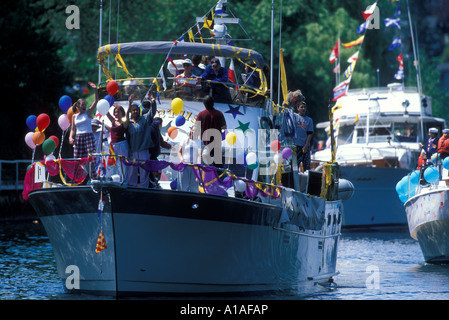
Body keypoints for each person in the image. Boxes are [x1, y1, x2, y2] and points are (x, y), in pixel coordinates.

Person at [126, 94, 157, 187]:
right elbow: (125, 116)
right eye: (133, 110)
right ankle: (131, 189)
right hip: (133, 152)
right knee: (131, 173)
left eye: (136, 109)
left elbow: (153, 112)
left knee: (144, 173)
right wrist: (129, 103)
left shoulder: (144, 119)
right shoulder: (128, 122)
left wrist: (153, 102)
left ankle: (144, 190)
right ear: (131, 112)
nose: (135, 111)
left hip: (144, 151)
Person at [195, 95, 227, 166]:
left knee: (204, 168)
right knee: (218, 168)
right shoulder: (219, 114)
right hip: (216, 145)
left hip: (204, 145)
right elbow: (224, 128)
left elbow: (196, 128)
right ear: (213, 103)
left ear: (204, 104)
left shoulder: (201, 114)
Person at [69, 88, 99, 158]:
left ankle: (92, 168)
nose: (84, 106)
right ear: (78, 106)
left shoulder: (88, 112)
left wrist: (95, 89)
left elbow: (96, 101)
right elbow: (73, 129)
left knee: (91, 157)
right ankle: (78, 168)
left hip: (88, 136)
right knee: (77, 158)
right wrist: (70, 137)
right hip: (79, 137)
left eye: (85, 104)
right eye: (83, 105)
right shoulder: (74, 116)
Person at [105, 103, 129, 182]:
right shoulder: (113, 121)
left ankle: (123, 181)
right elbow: (106, 113)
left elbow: (127, 116)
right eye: (115, 112)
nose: (116, 114)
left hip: (121, 145)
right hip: (113, 145)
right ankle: (107, 179)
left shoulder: (124, 123)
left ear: (122, 113)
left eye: (118, 112)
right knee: (110, 163)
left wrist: (130, 103)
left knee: (121, 164)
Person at [177, 125, 202, 192]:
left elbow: (199, 155)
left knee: (194, 188)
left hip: (195, 167)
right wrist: (181, 159)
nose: (194, 132)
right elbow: (179, 152)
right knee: (182, 187)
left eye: (196, 131)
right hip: (184, 166)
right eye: (193, 130)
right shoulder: (185, 140)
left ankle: (193, 201)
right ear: (191, 130)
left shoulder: (199, 142)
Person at [292, 97, 313, 171]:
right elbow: (289, 109)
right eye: (301, 107)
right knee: (295, 166)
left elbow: (310, 134)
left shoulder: (309, 120)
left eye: (304, 107)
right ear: (298, 108)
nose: (303, 109)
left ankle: (306, 180)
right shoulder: (295, 116)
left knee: (307, 167)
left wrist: (306, 146)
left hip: (305, 146)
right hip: (296, 145)